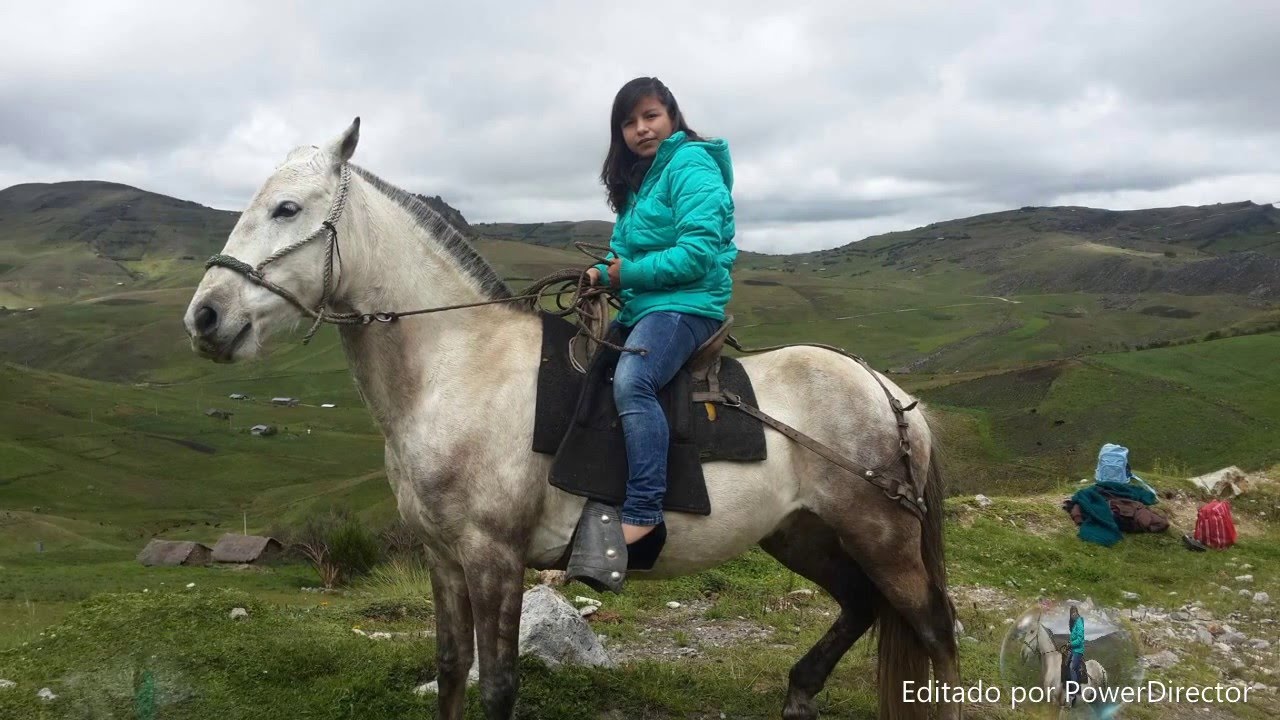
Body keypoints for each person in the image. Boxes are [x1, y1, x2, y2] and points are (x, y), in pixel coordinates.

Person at [584, 76, 737, 553]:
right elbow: (621, 251)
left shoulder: (691, 164)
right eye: (629, 122)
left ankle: (645, 511)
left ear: (671, 116)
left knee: (634, 380)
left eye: (650, 116)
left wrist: (623, 276)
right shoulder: (638, 183)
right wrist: (597, 271)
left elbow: (696, 254)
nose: (641, 129)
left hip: (688, 303)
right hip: (646, 303)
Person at [1066, 605, 1086, 705]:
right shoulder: (1074, 624)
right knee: (1065, 665)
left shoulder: (1079, 622)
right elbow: (1074, 638)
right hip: (1073, 649)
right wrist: (1069, 643)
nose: (1073, 614)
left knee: (1072, 668)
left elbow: (1080, 639)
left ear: (1077, 613)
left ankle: (1073, 695)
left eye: (1074, 612)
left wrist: (1071, 644)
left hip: (1078, 650)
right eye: (1071, 613)